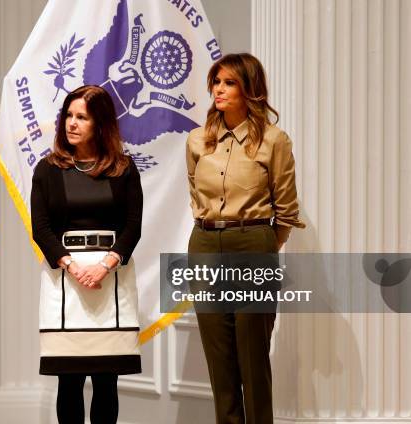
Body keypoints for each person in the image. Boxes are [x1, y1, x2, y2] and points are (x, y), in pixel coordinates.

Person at [185, 53, 305, 423]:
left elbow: (285, 210)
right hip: (204, 246)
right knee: (220, 364)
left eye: (229, 82)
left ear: (249, 89)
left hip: (253, 244)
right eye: (216, 82)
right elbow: (194, 192)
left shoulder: (273, 140)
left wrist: (262, 246)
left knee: (253, 359)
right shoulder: (196, 140)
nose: (218, 90)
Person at [31, 85, 143, 424]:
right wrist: (74, 267)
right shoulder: (48, 169)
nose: (72, 123)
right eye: (69, 115)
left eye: (82, 117)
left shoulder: (123, 168)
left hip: (112, 279)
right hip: (65, 280)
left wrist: (105, 266)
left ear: (101, 124)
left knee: (107, 380)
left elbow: (132, 227)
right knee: (69, 380)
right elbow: (42, 228)